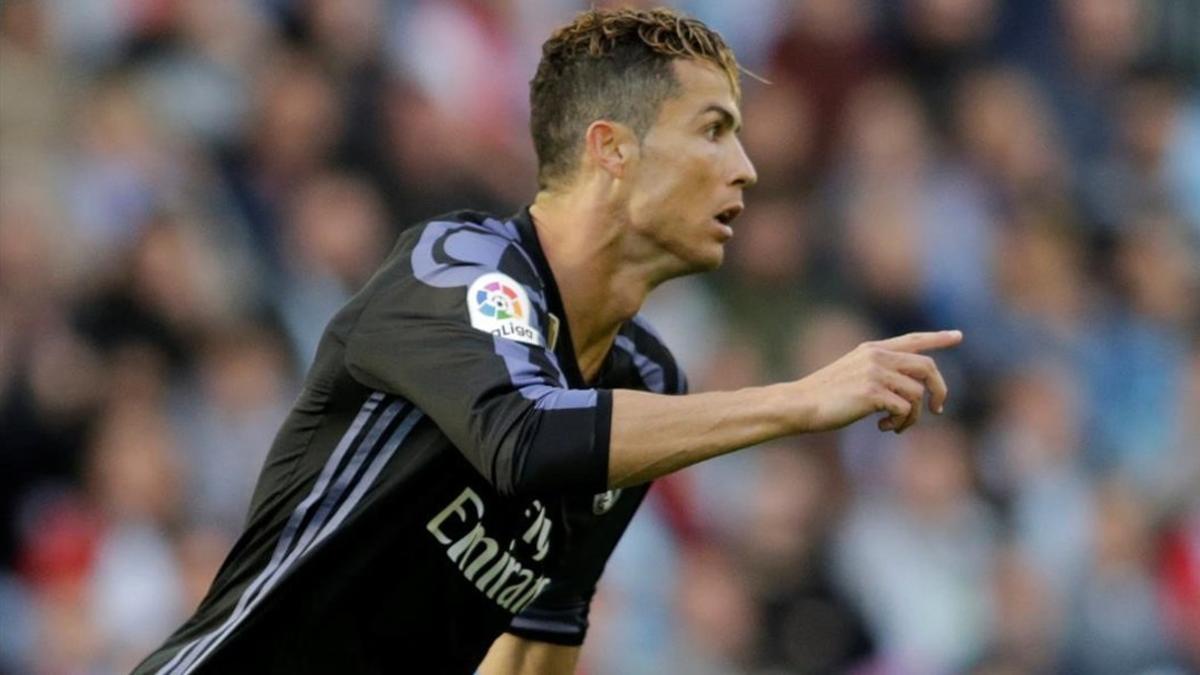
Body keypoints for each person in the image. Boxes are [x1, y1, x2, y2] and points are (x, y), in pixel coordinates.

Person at [134, 8, 961, 674]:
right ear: (611, 149)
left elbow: (538, 634)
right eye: (713, 130)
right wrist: (797, 400)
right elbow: (528, 436)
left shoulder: (644, 378)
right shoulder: (456, 268)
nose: (745, 167)